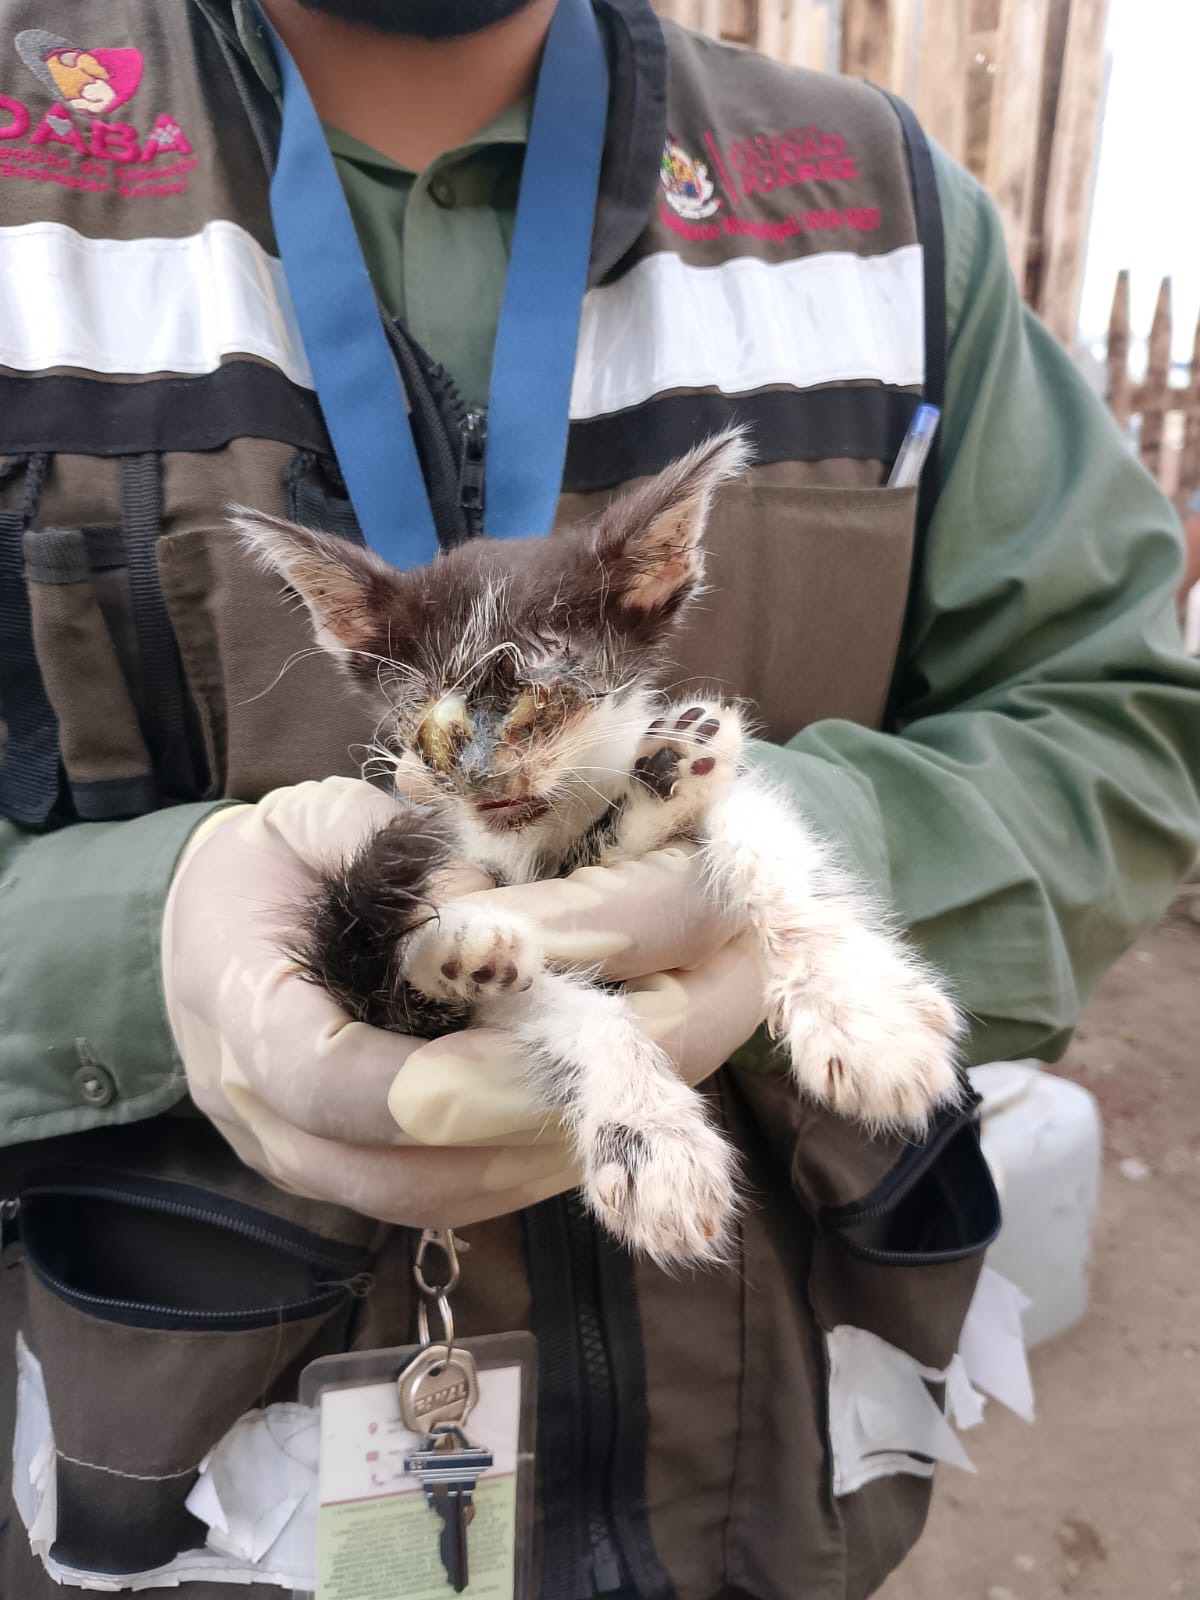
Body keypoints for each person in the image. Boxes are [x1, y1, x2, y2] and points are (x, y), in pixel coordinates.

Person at [1, 2, 1198, 1597]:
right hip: (198, 1485)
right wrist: (135, 943)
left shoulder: (875, 207)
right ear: (356, 646)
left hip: (775, 1490)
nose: (486, 766)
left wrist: (796, 894)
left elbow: (1117, 724)